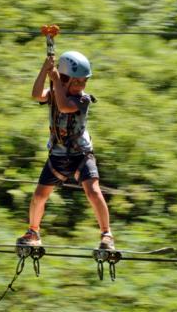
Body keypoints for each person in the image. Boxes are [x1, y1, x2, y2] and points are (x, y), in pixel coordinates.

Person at [16, 51, 115, 250]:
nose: (81, 86)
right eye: (76, 82)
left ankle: (106, 234)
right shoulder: (54, 92)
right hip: (58, 155)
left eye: (83, 82)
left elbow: (63, 106)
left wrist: (56, 82)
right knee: (39, 196)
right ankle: (33, 232)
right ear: (65, 79)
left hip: (81, 154)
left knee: (93, 191)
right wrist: (45, 70)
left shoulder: (83, 100)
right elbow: (36, 94)